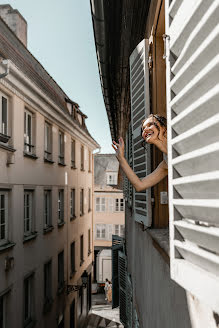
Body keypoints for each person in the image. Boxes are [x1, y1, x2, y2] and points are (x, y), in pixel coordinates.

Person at [112, 114, 168, 191]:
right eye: (143, 128)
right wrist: (121, 158)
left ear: (164, 126)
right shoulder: (166, 163)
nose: (145, 130)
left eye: (150, 124)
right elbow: (140, 185)